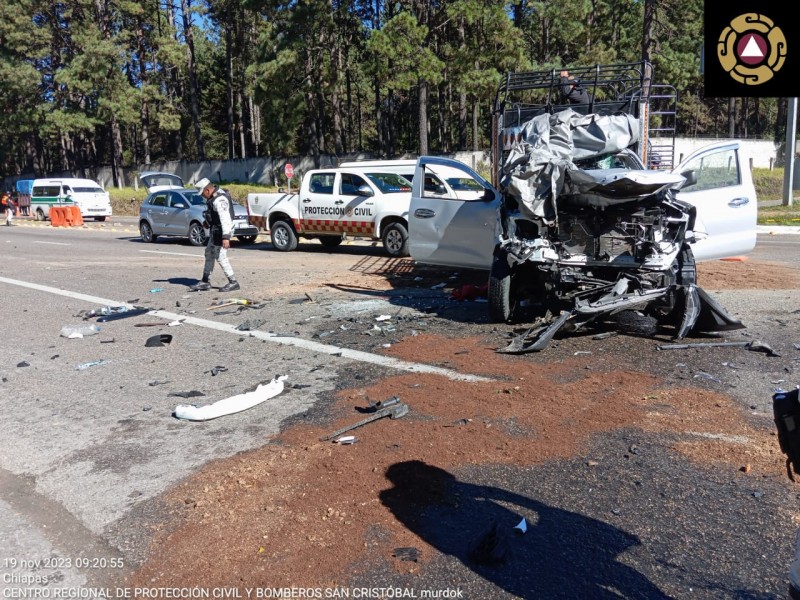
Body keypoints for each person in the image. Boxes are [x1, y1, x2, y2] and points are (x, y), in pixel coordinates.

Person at [190, 178, 240, 292]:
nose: (203, 196)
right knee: (209, 253)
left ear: (207, 190)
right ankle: (205, 281)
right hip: (216, 230)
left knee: (221, 256)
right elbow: (214, 215)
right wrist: (207, 223)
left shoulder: (219, 199)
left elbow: (225, 218)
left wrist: (226, 237)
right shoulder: (214, 197)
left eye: (202, 193)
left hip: (223, 231)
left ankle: (233, 282)